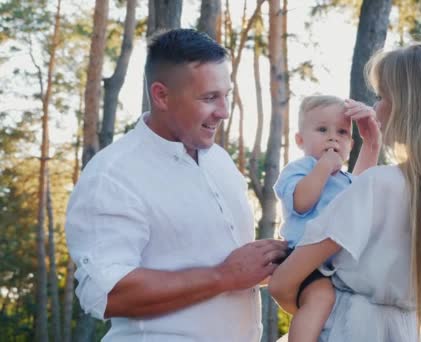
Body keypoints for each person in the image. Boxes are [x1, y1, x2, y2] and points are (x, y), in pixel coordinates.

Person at [65, 28, 287, 341]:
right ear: (162, 95)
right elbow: (108, 293)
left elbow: (230, 270)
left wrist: (269, 263)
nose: (223, 111)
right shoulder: (112, 175)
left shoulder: (220, 161)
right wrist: (223, 276)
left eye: (226, 94)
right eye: (210, 98)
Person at [269, 43, 421, 342]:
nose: (374, 108)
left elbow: (282, 285)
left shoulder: (380, 184)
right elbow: (358, 208)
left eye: (380, 96)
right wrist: (372, 147)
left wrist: (314, 309)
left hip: (346, 329)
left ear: (406, 105)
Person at [272, 95, 380, 341]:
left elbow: (362, 188)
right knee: (320, 298)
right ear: (300, 139)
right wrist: (323, 167)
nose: (333, 137)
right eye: (322, 130)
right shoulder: (301, 168)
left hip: (336, 265)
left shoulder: (347, 179)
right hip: (303, 258)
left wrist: (372, 144)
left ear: (350, 145)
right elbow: (301, 203)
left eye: (342, 132)